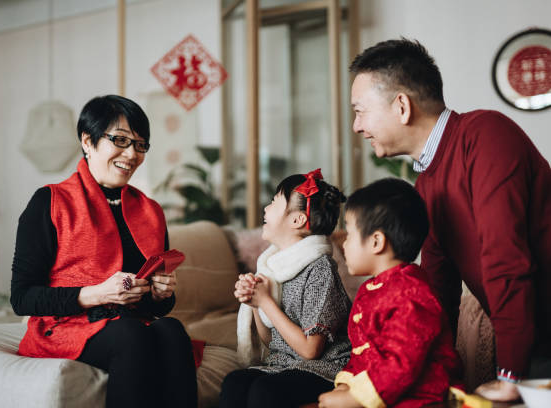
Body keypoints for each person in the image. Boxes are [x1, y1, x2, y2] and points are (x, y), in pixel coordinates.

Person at [347, 38, 551, 401]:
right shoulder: (426, 183)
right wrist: (431, 372)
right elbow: (438, 292)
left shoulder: (486, 136)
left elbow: (505, 259)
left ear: (401, 106)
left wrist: (511, 374)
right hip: (537, 338)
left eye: (360, 111)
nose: (356, 126)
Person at [10, 95, 198, 408]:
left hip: (129, 323)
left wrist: (162, 294)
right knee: (131, 335)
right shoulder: (49, 202)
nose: (132, 154)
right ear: (88, 141)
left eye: (140, 145)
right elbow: (21, 298)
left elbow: (158, 309)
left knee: (172, 330)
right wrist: (98, 294)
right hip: (66, 326)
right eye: (120, 140)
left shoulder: (151, 211)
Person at [317, 178, 461, 408]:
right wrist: (346, 384)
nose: (344, 242)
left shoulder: (412, 293)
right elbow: (361, 353)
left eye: (350, 234)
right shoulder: (369, 290)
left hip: (423, 399)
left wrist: (355, 398)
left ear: (376, 242)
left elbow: (402, 362)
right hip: (381, 395)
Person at [219, 170, 352, 408]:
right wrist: (255, 302)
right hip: (285, 365)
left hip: (324, 369)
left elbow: (311, 350)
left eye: (274, 202)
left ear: (297, 220)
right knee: (235, 383)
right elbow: (272, 341)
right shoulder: (274, 265)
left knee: (265, 391)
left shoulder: (320, 269)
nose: (266, 209)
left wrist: (266, 303)